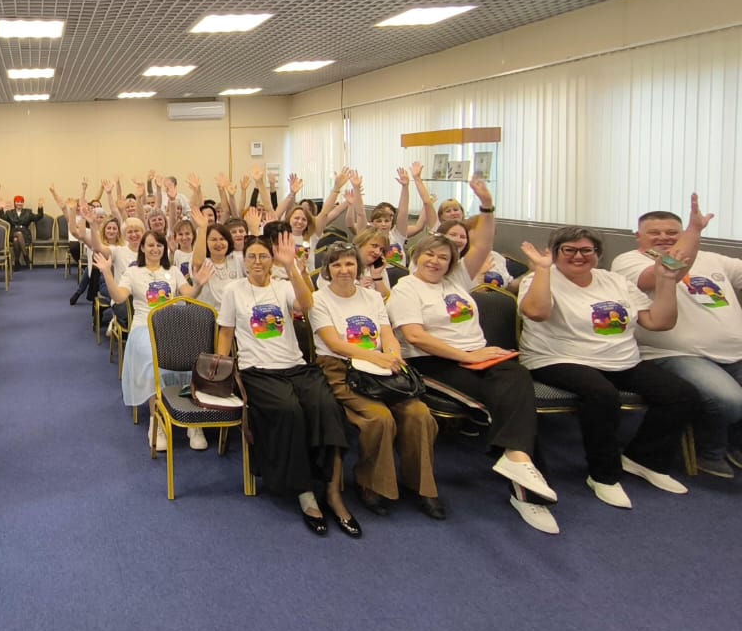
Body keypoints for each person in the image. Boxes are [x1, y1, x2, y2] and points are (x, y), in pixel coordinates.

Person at [385, 178, 560, 534]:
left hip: (480, 356)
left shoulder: (457, 282)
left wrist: (487, 206)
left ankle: (518, 461)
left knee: (517, 379)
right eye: (429, 255)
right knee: (509, 400)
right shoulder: (406, 288)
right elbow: (416, 337)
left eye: (443, 257)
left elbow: (483, 243)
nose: (436, 261)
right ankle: (527, 489)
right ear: (416, 256)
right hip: (432, 362)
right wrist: (466, 357)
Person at [518, 229, 698, 506]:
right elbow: (536, 312)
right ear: (555, 254)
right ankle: (604, 476)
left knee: (681, 394)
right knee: (602, 395)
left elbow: (658, 322)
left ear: (598, 254)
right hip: (557, 358)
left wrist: (666, 281)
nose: (578, 256)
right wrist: (543, 270)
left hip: (620, 360)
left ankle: (643, 459)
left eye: (586, 250)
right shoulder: (537, 279)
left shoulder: (615, 281)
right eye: (569, 250)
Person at [215, 233, 357, 537]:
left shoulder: (283, 285)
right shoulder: (233, 291)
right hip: (258, 371)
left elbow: (307, 304)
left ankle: (333, 492)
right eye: (251, 257)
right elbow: (226, 332)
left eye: (263, 256)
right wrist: (222, 370)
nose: (257, 262)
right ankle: (304, 492)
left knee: (327, 407)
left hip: (295, 366)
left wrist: (292, 268)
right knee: (289, 411)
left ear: (272, 260)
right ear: (243, 260)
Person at [610, 197, 742, 478]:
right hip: (674, 354)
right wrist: (694, 231)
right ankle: (711, 450)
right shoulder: (628, 262)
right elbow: (670, 270)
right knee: (729, 401)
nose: (664, 237)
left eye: (672, 232)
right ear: (638, 236)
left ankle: (735, 444)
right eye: (654, 232)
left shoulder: (713, 259)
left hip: (734, 351)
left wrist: (692, 236)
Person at [311, 243, 443, 519]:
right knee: (379, 418)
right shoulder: (319, 299)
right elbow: (334, 343)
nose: (344, 270)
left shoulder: (372, 297)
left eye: (349, 263)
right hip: (341, 369)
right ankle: (371, 483)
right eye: (336, 264)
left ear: (358, 267)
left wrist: (393, 356)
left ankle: (422, 485)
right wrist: (377, 358)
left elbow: (387, 334)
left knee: (419, 414)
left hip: (380, 369)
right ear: (327, 270)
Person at [96, 230, 207, 453]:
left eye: (159, 245)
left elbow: (189, 296)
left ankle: (193, 423)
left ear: (164, 248)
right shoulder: (133, 272)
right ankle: (157, 423)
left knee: (190, 358)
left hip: (172, 326)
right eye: (150, 245)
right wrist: (107, 273)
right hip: (143, 327)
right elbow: (119, 297)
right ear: (143, 248)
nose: (155, 249)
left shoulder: (173, 270)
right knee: (154, 359)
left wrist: (199, 284)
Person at [4, 195, 43, 268]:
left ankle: (17, 262)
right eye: (17, 201)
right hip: (13, 233)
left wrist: (40, 207)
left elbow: (38, 217)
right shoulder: (9, 212)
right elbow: (2, 219)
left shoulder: (28, 212)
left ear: (23, 203)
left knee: (16, 240)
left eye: (21, 202)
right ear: (14, 203)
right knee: (17, 234)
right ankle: (26, 256)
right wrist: (1, 209)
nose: (19, 203)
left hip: (25, 234)